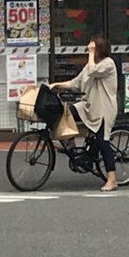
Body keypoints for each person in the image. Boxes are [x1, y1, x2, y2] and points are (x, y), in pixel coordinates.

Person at [49, 34, 119, 192]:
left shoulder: (108, 64)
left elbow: (93, 71)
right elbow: (76, 83)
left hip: (103, 110)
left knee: (102, 142)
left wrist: (91, 54)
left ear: (98, 49)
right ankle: (71, 143)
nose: (89, 47)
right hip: (89, 106)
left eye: (92, 46)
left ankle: (112, 178)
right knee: (66, 112)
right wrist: (56, 85)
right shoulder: (90, 65)